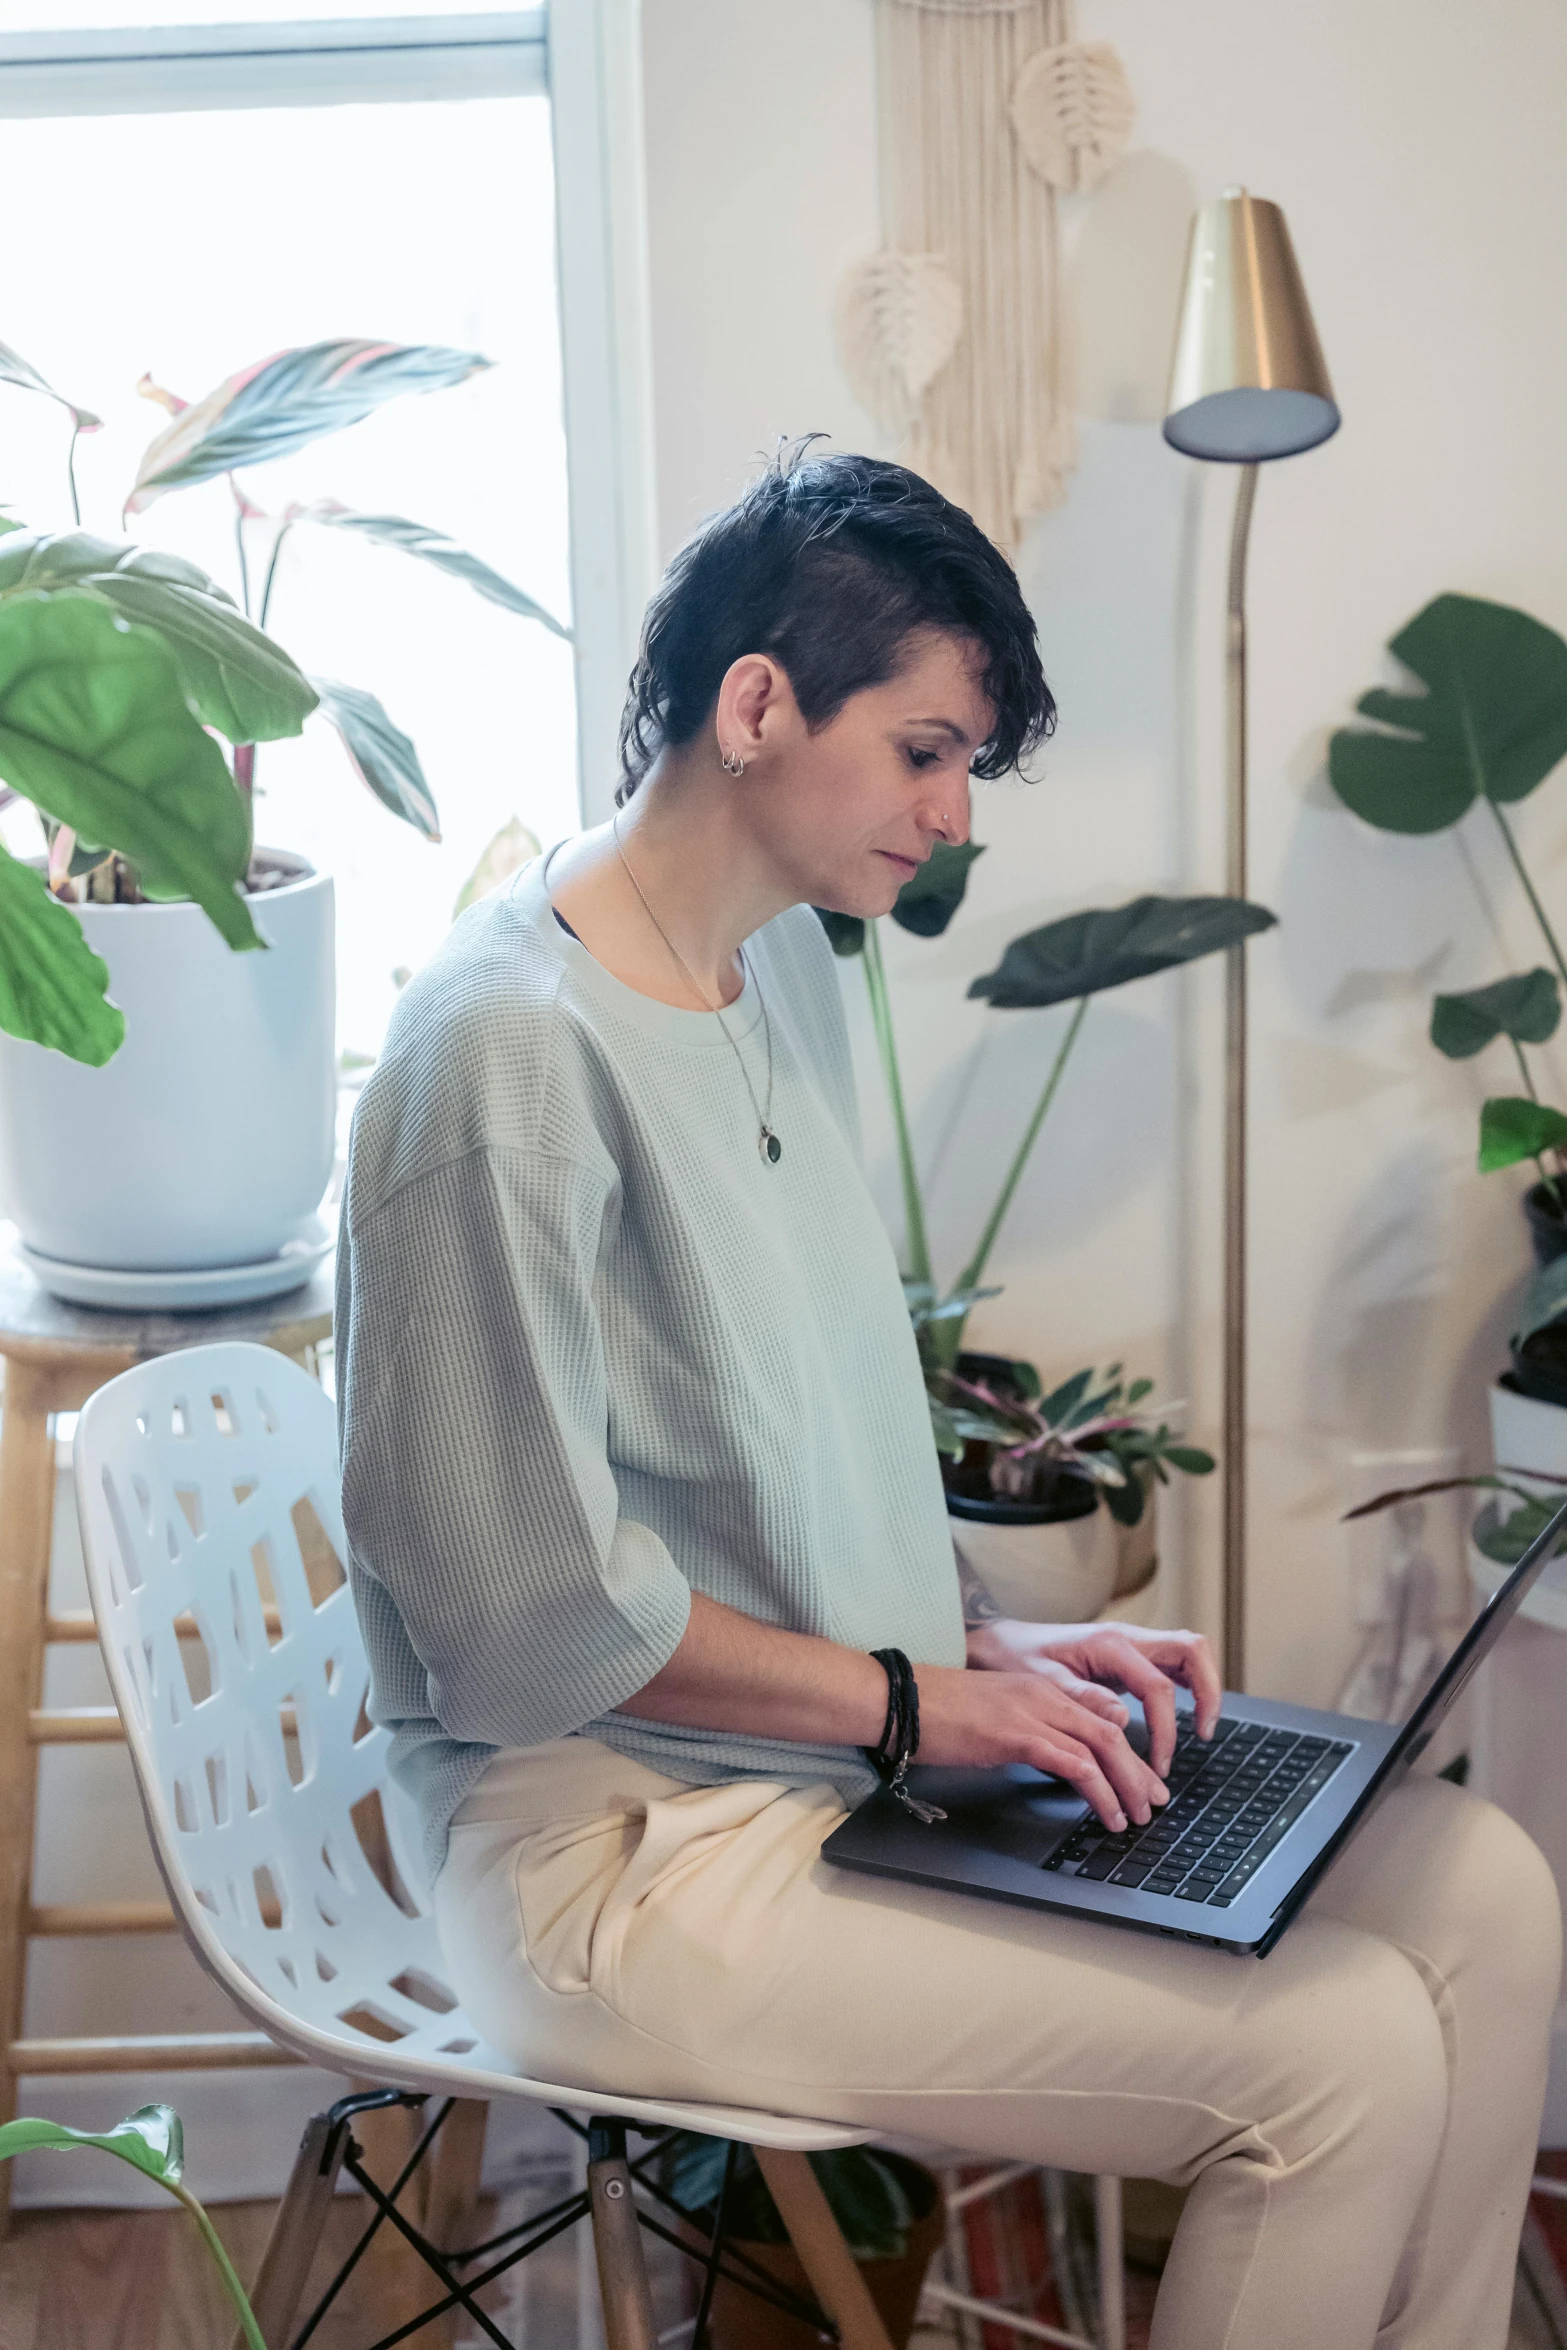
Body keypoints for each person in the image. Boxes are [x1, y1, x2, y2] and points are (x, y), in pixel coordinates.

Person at [335, 443, 1560, 2350]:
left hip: (839, 1754)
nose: (951, 808)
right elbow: (522, 1618)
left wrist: (999, 1645)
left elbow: (794, 1423)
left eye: (962, 762)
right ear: (755, 703)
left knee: (1483, 1888)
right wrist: (927, 1700)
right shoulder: (498, 1056)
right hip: (618, 1858)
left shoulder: (785, 975)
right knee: (1338, 2066)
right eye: (923, 748)